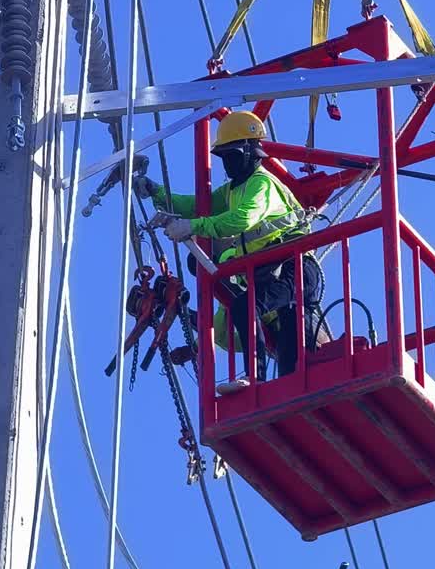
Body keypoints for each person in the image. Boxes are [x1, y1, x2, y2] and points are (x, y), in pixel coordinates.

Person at [134, 111, 323, 389]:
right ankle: (275, 388)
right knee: (284, 356)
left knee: (248, 307)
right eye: (224, 157)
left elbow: (243, 219)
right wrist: (156, 192)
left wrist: (193, 226)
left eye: (232, 156)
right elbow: (196, 205)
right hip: (276, 272)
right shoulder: (234, 190)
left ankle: (256, 379)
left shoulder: (261, 183)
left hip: (294, 268)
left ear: (250, 152)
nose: (229, 164)